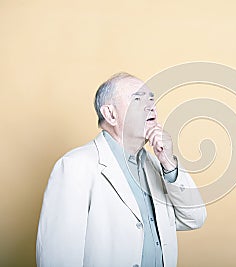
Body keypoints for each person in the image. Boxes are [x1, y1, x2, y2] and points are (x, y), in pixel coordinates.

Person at [36, 72, 207, 267]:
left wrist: (169, 163)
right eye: (137, 99)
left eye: (151, 99)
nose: (151, 106)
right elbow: (58, 258)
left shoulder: (157, 164)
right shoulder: (75, 166)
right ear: (110, 114)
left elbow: (194, 219)